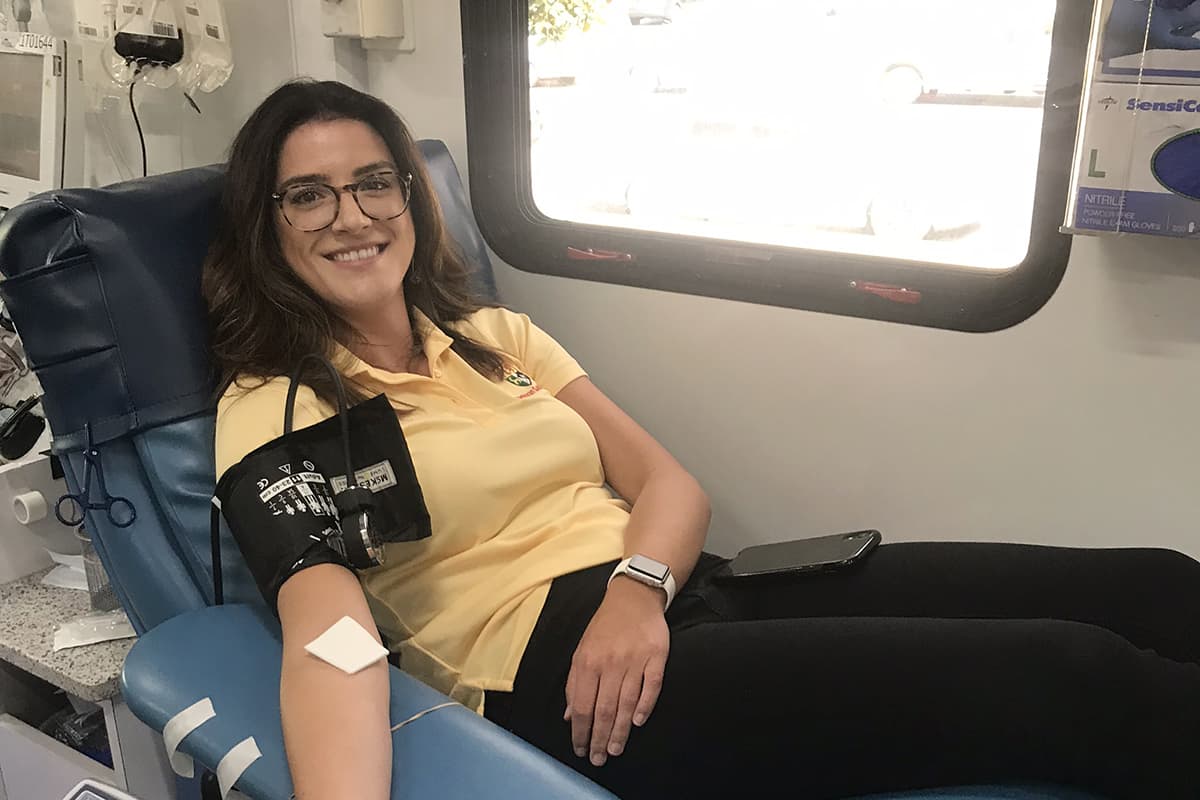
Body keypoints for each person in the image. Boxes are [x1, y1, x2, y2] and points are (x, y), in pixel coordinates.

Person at [204, 78, 1200, 800]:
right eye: (310, 194)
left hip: (682, 591)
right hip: (569, 681)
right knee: (1071, 674)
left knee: (1154, 583)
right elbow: (327, 631)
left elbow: (668, 482)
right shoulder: (279, 404)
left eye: (376, 181)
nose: (354, 216)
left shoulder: (490, 337)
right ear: (269, 224)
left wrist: (641, 587)